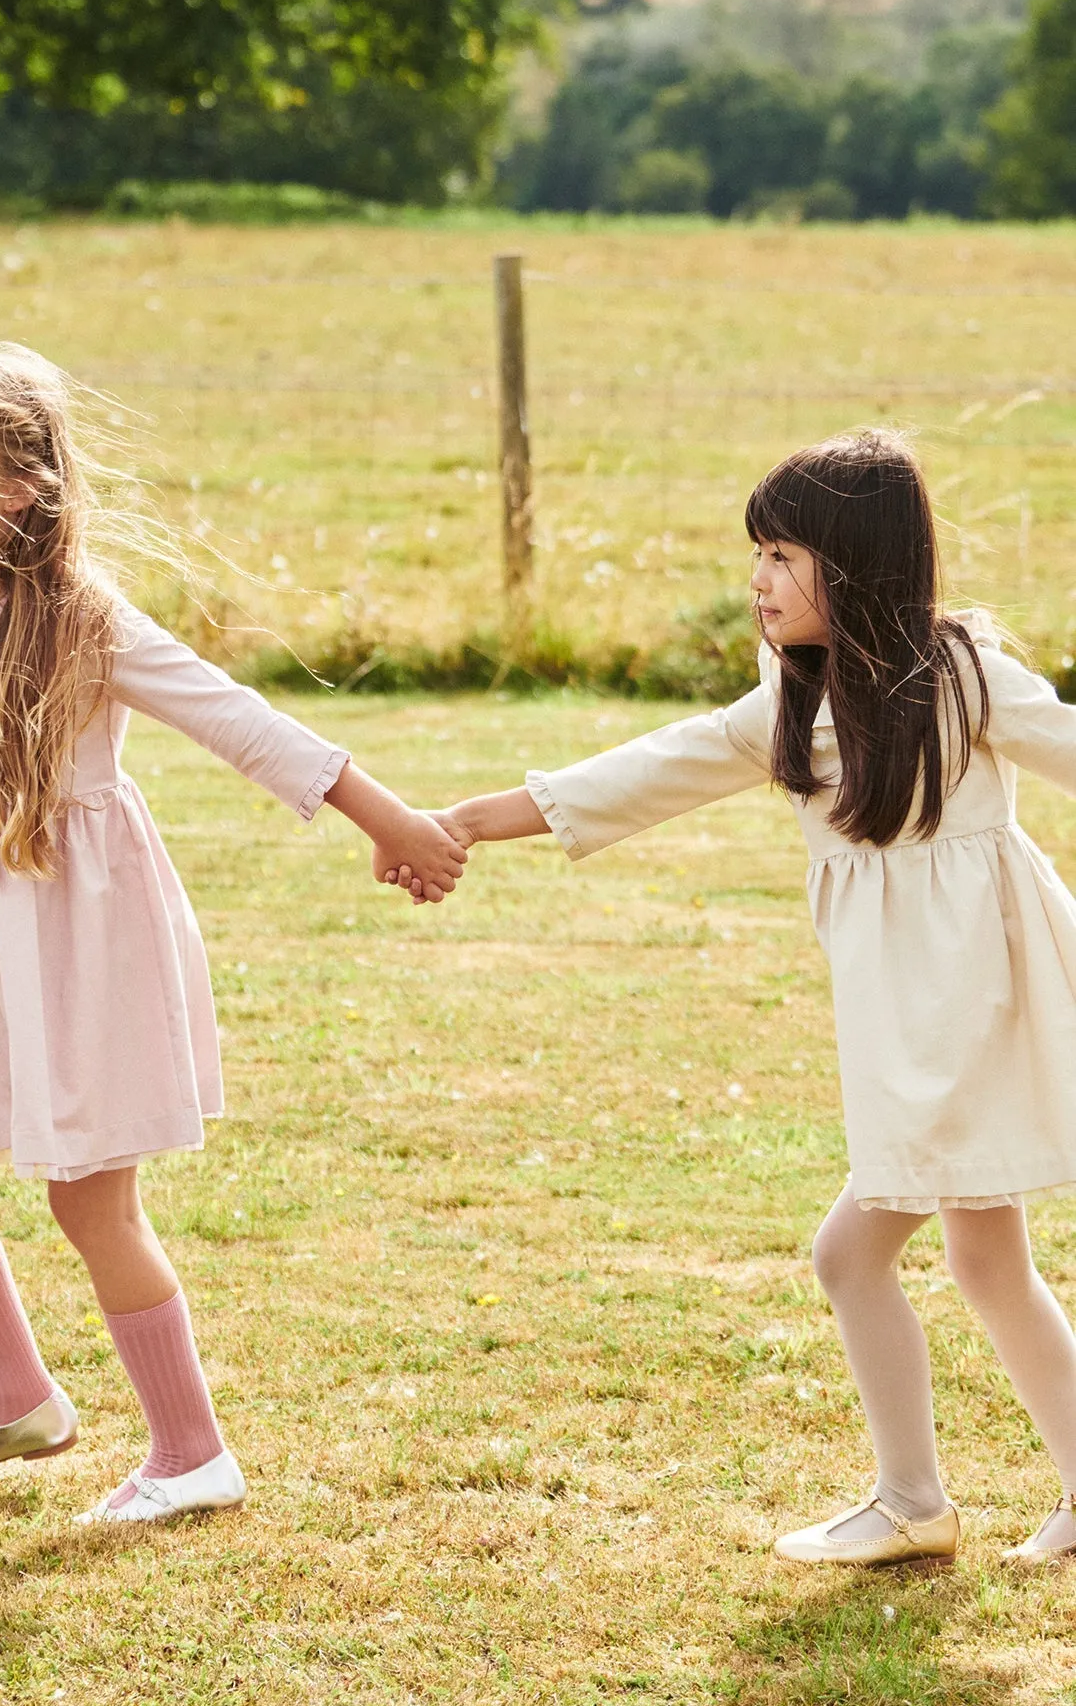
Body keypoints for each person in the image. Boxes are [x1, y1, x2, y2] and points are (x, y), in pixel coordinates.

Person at [0, 341, 463, 1522]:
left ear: (18, 487)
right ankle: (16, 1394)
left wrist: (392, 817)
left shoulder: (83, 622)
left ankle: (191, 1450)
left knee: (90, 1206)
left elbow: (238, 719)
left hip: (84, 946)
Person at [417, 431, 1076, 1569]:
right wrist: (480, 815)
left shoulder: (963, 676)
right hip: (906, 1027)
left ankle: (912, 1498)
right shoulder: (791, 700)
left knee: (857, 1254)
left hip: (975, 1016)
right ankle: (923, 1494)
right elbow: (650, 768)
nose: (758, 579)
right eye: (757, 553)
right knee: (977, 1258)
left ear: (857, 563)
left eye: (781, 553)